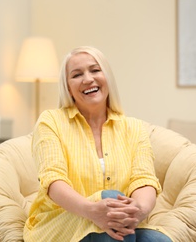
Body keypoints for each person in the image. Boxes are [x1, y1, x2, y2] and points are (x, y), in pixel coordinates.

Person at [23, 46, 172, 242]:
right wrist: (92, 210)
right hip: (61, 224)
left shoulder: (134, 128)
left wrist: (138, 211)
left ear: (107, 77)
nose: (87, 79)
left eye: (95, 70)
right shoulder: (51, 121)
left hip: (117, 224)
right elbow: (53, 180)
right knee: (110, 200)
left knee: (158, 240)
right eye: (76, 75)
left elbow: (143, 180)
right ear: (68, 87)